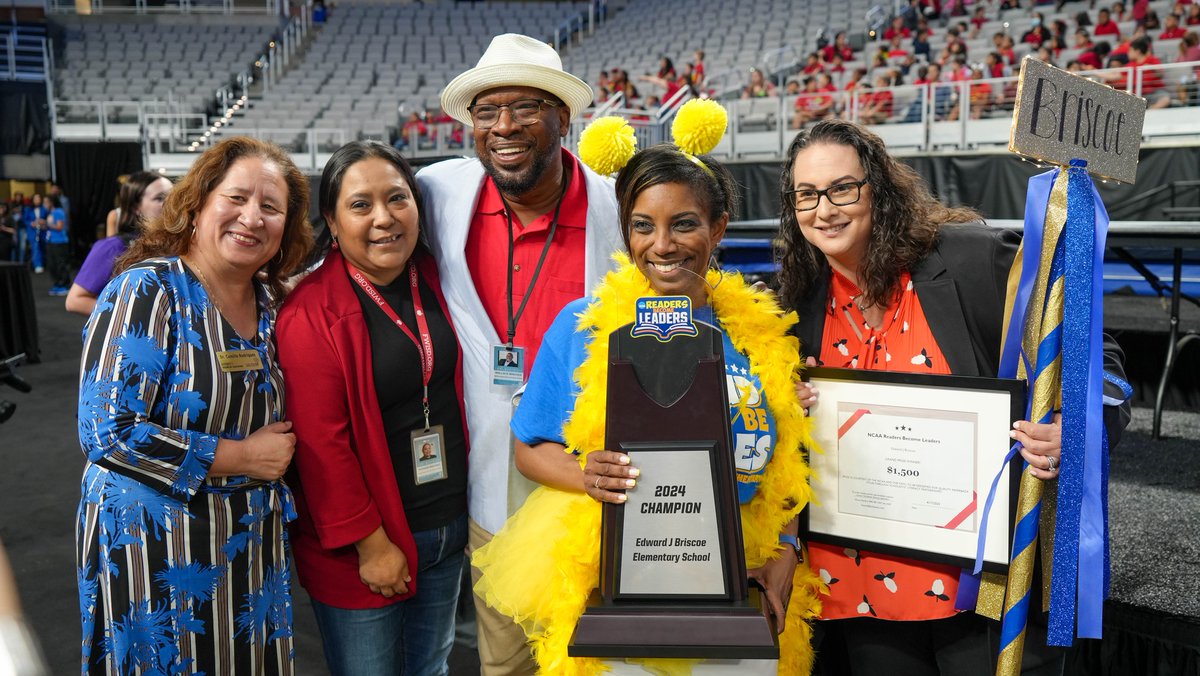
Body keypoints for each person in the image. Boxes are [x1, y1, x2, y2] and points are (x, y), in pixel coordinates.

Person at [776, 120, 1131, 675]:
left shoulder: (973, 261)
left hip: (981, 587)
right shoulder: (796, 301)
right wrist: (783, 407)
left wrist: (1076, 427)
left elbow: (1093, 351)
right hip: (858, 587)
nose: (824, 209)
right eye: (807, 195)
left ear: (881, 189)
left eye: (843, 188)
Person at [472, 142, 822, 674]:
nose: (662, 246)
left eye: (683, 224)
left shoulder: (760, 335)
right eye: (642, 226)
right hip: (618, 585)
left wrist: (788, 547)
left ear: (719, 228)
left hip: (743, 585)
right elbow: (528, 447)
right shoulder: (582, 325)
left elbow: (786, 466)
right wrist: (586, 473)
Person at [416, 33, 624, 675]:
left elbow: (690, 289)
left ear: (564, 118)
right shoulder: (434, 194)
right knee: (504, 660)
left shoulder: (620, 205)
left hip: (593, 475)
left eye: (526, 108)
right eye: (487, 111)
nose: (503, 126)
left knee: (599, 653)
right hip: (487, 468)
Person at [76, 136, 313, 674]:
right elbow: (105, 430)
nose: (252, 217)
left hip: (248, 550)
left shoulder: (273, 304)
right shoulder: (147, 290)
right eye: (236, 198)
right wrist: (242, 458)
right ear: (199, 201)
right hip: (155, 553)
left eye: (270, 207)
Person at [276, 141, 469, 675]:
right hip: (368, 543)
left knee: (430, 667)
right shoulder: (310, 313)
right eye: (361, 205)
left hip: (446, 524)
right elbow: (320, 446)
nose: (384, 218)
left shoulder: (437, 276)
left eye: (397, 198)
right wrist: (372, 545)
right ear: (332, 224)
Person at [66, 172, 172, 316]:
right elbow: (75, 301)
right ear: (136, 207)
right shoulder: (114, 246)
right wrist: (131, 315)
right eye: (159, 198)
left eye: (173, 196)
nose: (170, 203)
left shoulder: (179, 243)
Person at [43, 195, 70, 296]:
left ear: (51, 202)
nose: (44, 204)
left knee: (60, 264)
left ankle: (65, 284)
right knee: (52, 264)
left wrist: (46, 223)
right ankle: (58, 283)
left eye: (46, 202)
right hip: (51, 241)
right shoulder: (51, 212)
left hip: (59, 242)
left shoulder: (58, 212)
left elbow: (59, 226)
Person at [22, 194, 47, 273]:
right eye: (36, 199)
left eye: (39, 199)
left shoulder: (44, 209)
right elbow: (25, 220)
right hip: (33, 231)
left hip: (43, 231)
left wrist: (44, 222)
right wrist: (31, 223)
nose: (37, 200)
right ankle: (37, 265)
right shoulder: (28, 209)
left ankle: (43, 263)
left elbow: (48, 218)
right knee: (35, 247)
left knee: (43, 247)